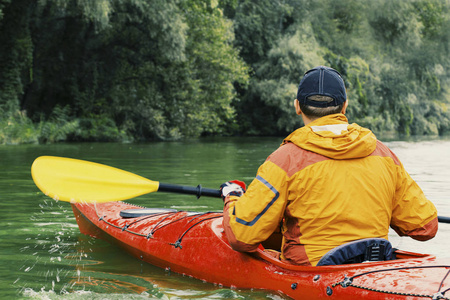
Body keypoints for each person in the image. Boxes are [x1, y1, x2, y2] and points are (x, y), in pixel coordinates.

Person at [220, 66, 438, 266]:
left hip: (313, 275)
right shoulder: (383, 154)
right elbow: (425, 226)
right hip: (373, 267)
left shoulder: (284, 159)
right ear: (344, 106)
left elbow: (242, 237)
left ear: (297, 106)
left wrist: (232, 197)